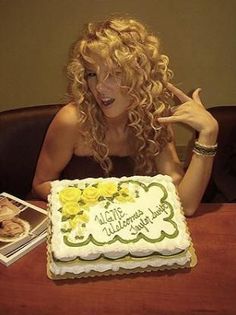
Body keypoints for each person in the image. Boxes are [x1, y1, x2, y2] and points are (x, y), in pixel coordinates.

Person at [32, 17, 218, 216]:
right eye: (92, 74)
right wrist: (99, 202)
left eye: (113, 73)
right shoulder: (73, 120)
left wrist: (208, 134)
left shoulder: (154, 119)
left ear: (139, 75)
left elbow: (186, 204)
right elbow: (40, 184)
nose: (100, 88)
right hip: (80, 223)